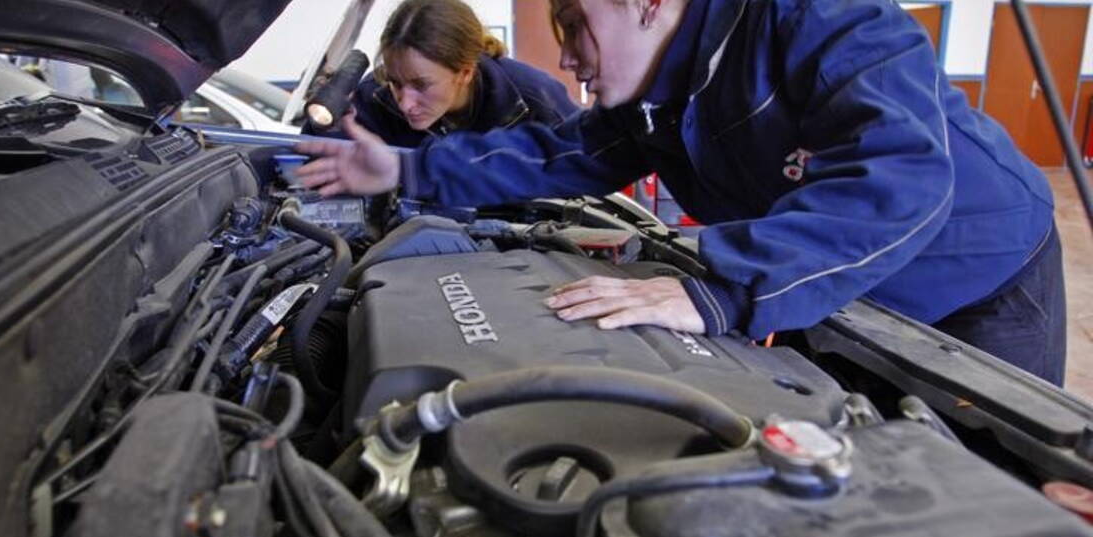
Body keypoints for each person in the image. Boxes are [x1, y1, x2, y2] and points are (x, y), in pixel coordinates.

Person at [296, 0, 1066, 386]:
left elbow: (902, 171)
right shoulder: (656, 99)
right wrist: (407, 171)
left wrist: (726, 288)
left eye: (574, 24)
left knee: (987, 499)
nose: (567, 60)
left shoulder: (818, 17)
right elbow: (556, 153)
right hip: (832, 285)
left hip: (977, 279)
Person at [311, 0, 579, 147]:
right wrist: (331, 126)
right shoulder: (374, 96)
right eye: (396, 83)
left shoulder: (536, 101)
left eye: (421, 85)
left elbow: (588, 170)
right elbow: (313, 167)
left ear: (465, 73)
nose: (405, 103)